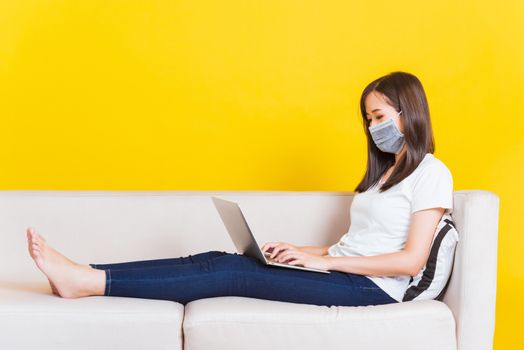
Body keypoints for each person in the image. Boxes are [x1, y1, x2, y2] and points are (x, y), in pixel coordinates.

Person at [26, 71, 453, 306]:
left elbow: (410, 260)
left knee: (230, 273)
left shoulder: (432, 173)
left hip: (372, 289)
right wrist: (304, 251)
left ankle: (87, 282)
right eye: (369, 120)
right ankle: (88, 273)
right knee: (217, 258)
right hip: (346, 273)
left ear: (408, 111)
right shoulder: (382, 178)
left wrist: (325, 265)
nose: (374, 127)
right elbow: (357, 244)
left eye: (379, 116)